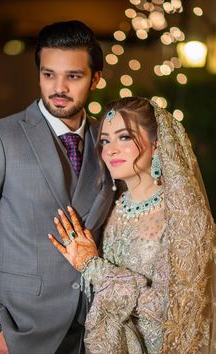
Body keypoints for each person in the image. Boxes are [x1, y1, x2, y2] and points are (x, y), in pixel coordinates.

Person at [0, 20, 114, 354]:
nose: (59, 88)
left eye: (73, 76)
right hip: (17, 333)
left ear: (95, 77)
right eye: (48, 74)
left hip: (91, 334)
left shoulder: (110, 142)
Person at [49, 96, 216, 354]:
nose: (110, 150)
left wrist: (93, 267)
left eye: (124, 137)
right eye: (105, 140)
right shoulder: (111, 205)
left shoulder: (183, 214)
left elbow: (175, 310)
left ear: (157, 146)